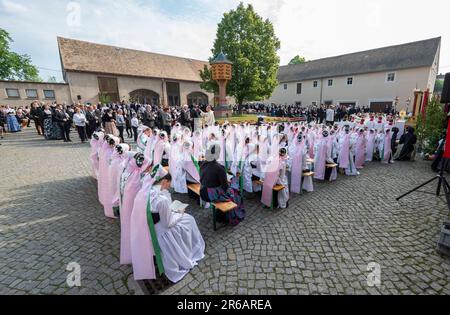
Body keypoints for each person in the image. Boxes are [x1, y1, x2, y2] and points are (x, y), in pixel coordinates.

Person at [200, 142, 245, 225]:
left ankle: (223, 214)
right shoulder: (219, 168)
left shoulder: (203, 164)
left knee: (231, 189)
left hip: (202, 191)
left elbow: (204, 178)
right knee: (235, 192)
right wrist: (227, 182)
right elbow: (225, 187)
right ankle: (229, 216)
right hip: (210, 194)